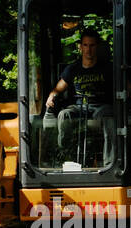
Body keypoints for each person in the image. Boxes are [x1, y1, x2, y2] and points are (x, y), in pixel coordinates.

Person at [45, 30, 115, 166]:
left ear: (98, 47)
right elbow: (58, 88)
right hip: (79, 107)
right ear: (80, 47)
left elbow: (127, 87)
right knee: (64, 115)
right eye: (86, 45)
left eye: (92, 45)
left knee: (109, 119)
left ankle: (109, 164)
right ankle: (65, 156)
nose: (89, 49)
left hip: (101, 108)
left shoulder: (108, 68)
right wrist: (51, 96)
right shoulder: (72, 69)